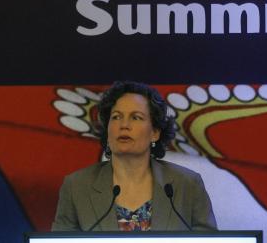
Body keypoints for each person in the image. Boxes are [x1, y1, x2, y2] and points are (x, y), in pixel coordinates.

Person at [52, 81, 217, 231]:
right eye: (116, 117)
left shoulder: (187, 185)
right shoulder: (76, 187)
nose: (124, 125)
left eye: (136, 117)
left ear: (155, 133)